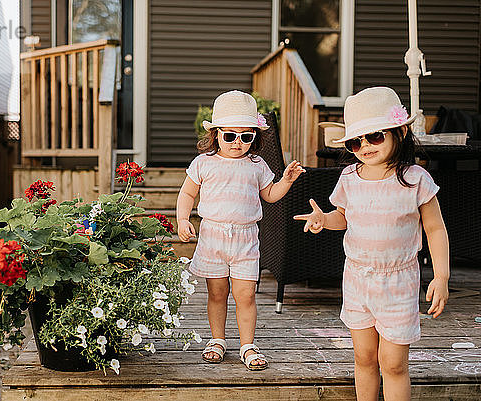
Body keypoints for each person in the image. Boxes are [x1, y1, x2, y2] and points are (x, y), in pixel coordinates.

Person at [295, 87, 449, 400]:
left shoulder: (415, 178)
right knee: (364, 357)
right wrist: (325, 220)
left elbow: (435, 229)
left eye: (375, 136)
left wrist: (442, 276)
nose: (365, 146)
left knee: (392, 363)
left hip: (398, 281)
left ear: (400, 132)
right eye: (356, 141)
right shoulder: (350, 177)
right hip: (357, 279)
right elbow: (344, 218)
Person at [176, 90, 305, 370]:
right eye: (230, 136)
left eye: (246, 137)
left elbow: (270, 194)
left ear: (254, 138)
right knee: (217, 293)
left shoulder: (257, 165)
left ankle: (247, 344)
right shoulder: (204, 163)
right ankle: (218, 340)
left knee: (246, 294)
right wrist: (183, 219)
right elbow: (187, 194)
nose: (237, 143)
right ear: (216, 135)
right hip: (213, 236)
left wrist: (287, 180)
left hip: (246, 238)